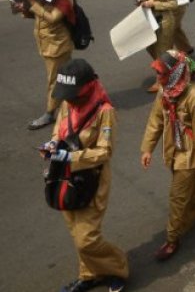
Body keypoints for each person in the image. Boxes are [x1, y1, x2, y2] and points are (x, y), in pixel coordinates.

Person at [40, 59, 128, 292]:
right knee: (75, 231)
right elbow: (59, 130)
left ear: (87, 89)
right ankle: (89, 274)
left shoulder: (104, 112)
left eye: (73, 95)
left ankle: (117, 268)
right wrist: (51, 144)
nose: (68, 100)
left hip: (92, 179)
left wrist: (71, 158)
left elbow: (104, 151)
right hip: (64, 177)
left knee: (86, 237)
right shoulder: (68, 104)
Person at [140, 50, 195, 260]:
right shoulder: (164, 90)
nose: (158, 78)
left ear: (175, 73)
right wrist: (147, 149)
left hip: (188, 153)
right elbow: (156, 120)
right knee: (190, 185)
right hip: (172, 149)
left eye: (162, 74)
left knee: (177, 196)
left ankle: (172, 239)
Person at [12, 0, 74, 130]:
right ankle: (80, 103)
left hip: (57, 47)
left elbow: (52, 18)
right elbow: (39, 16)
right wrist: (25, 10)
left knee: (54, 80)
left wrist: (33, 2)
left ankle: (50, 113)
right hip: (47, 45)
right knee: (66, 76)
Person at [138, 0, 178, 92]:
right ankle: (171, 67)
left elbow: (174, 3)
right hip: (151, 19)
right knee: (150, 47)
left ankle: (161, 81)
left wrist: (153, 4)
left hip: (164, 21)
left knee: (162, 52)